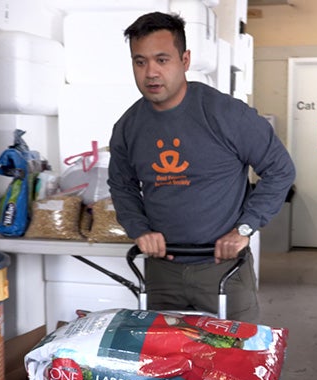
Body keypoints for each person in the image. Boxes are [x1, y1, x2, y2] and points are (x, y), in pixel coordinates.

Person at [108, 11, 296, 325]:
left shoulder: (226, 115)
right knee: (164, 366)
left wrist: (245, 229)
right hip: (161, 270)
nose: (151, 72)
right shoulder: (128, 126)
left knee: (236, 361)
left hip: (223, 270)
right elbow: (122, 185)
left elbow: (280, 170)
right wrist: (138, 228)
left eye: (162, 60)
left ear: (185, 59)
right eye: (140, 62)